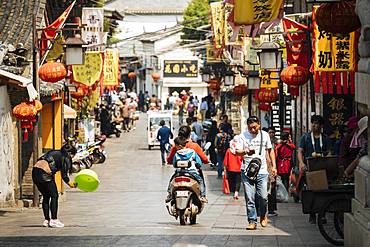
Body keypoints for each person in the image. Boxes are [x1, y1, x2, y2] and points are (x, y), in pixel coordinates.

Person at [234, 116, 276, 230]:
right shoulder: (242, 136)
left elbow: (270, 150)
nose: (252, 130)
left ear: (259, 125)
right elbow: (236, 152)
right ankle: (252, 220)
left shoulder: (265, 135)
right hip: (247, 171)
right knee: (250, 198)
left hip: (262, 171)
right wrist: (245, 151)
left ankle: (263, 214)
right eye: (250, 128)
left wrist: (273, 167)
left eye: (255, 127)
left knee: (263, 196)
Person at [32, 144, 78, 228]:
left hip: (35, 172)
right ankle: (54, 220)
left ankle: (47, 220)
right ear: (70, 153)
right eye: (73, 155)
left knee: (46, 196)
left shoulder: (53, 152)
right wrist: (70, 184)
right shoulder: (65, 156)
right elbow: (64, 175)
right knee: (54, 196)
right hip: (45, 174)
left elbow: (40, 160)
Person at [297, 114, 332, 224]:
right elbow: (300, 151)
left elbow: (329, 152)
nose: (314, 125)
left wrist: (328, 159)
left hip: (322, 168)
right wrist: (301, 163)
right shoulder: (306, 137)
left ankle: (322, 214)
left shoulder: (325, 138)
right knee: (311, 191)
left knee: (323, 191)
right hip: (309, 168)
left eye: (316, 123)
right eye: (313, 123)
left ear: (321, 126)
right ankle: (312, 214)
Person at [166, 136, 207, 203]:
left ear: (179, 146)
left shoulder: (177, 154)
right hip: (192, 172)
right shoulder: (192, 152)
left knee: (171, 181)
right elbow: (199, 163)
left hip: (179, 172)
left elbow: (174, 164)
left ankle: (169, 195)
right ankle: (202, 196)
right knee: (200, 181)